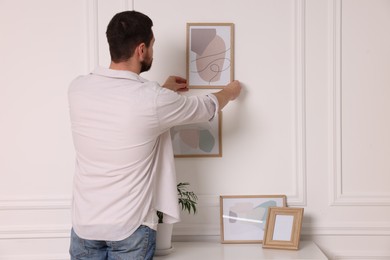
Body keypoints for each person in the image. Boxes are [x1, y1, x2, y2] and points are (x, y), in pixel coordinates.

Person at [68, 10, 241, 260]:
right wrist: (229, 91)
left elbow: (123, 109)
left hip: (84, 227)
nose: (152, 52)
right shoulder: (152, 99)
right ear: (141, 50)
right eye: (151, 46)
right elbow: (205, 107)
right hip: (129, 230)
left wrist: (163, 91)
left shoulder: (78, 88)